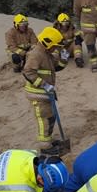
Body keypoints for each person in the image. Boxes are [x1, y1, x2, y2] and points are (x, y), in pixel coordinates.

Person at [22, 26, 65, 155]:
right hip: (37, 95)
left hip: (46, 94)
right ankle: (45, 147)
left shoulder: (45, 53)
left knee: (50, 117)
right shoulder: (36, 54)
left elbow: (56, 67)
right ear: (47, 42)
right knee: (44, 120)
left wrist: (64, 57)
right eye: (54, 45)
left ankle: (49, 140)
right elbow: (28, 72)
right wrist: (44, 85)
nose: (55, 48)